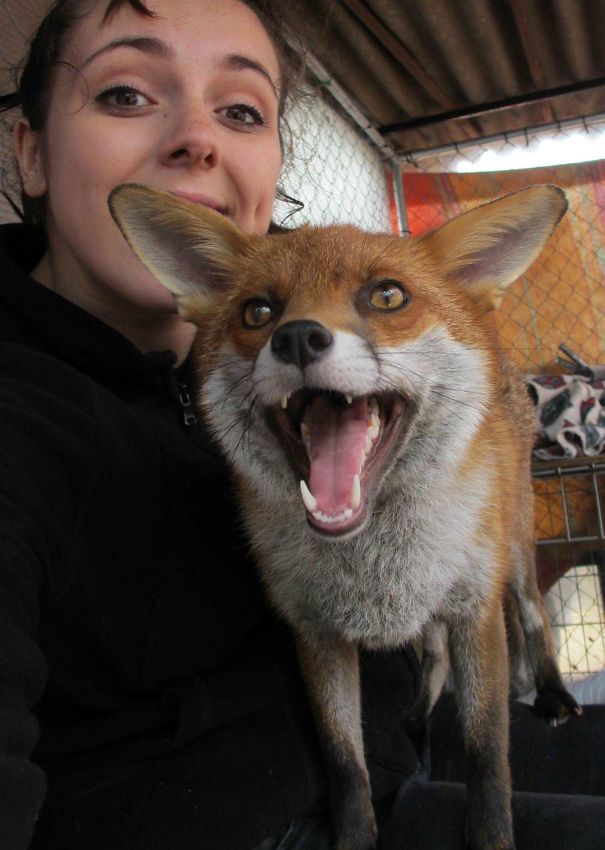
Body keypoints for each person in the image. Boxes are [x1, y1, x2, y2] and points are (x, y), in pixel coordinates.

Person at [0, 2, 603, 849]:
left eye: (241, 110)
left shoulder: (280, 302)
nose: (196, 139)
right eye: (128, 95)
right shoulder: (23, 419)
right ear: (28, 151)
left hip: (406, 751)